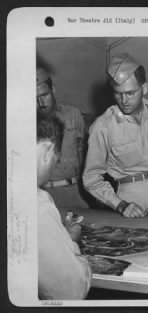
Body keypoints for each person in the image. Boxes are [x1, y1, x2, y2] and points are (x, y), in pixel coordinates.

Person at [83, 53, 148, 219]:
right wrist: (120, 205)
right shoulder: (103, 126)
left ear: (144, 89)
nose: (124, 100)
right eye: (118, 93)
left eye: (130, 93)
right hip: (129, 202)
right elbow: (91, 178)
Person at [37, 112, 91, 299]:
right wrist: (71, 242)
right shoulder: (38, 204)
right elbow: (71, 292)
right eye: (56, 157)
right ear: (47, 152)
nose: (56, 163)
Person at [36, 68, 88, 209]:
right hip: (44, 194)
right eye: (34, 98)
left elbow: (85, 151)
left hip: (76, 192)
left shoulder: (73, 114)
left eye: (44, 95)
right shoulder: (27, 122)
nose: (41, 103)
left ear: (53, 89)